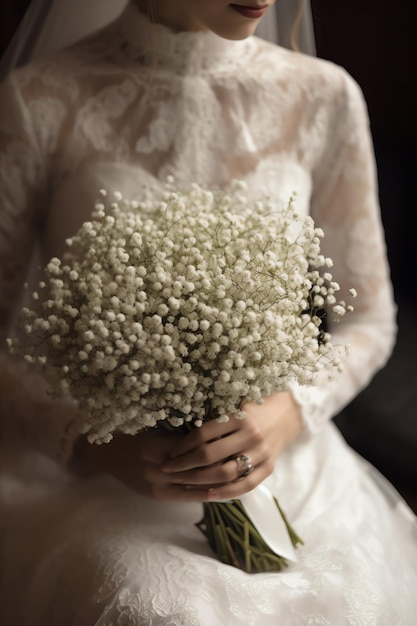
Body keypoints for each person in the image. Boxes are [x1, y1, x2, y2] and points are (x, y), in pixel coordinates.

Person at [0, 1, 416, 624]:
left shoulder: (323, 97)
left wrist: (286, 412)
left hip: (285, 468)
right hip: (93, 481)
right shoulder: (41, 98)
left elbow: (370, 320)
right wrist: (91, 443)